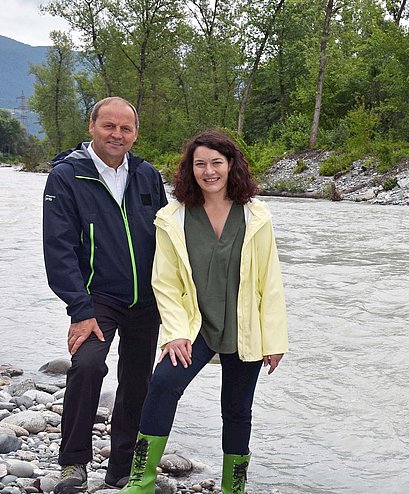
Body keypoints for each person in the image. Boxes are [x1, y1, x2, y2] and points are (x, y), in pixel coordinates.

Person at [118, 130, 288, 494]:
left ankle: (234, 488)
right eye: (200, 164)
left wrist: (275, 339)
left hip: (244, 327)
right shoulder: (173, 217)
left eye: (216, 163)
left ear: (231, 165)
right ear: (189, 169)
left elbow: (269, 283)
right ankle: (140, 482)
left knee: (238, 410)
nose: (208, 171)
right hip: (194, 326)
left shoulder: (256, 215)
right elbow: (164, 282)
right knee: (162, 385)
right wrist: (176, 332)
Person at [42, 97, 169, 493]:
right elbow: (58, 247)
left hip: (146, 300)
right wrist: (79, 309)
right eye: (108, 126)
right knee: (88, 365)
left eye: (125, 128)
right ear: (92, 126)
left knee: (137, 381)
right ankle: (73, 463)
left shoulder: (147, 175)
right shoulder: (67, 176)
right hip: (96, 297)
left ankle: (121, 467)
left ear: (135, 133)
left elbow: (168, 238)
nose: (117, 135)